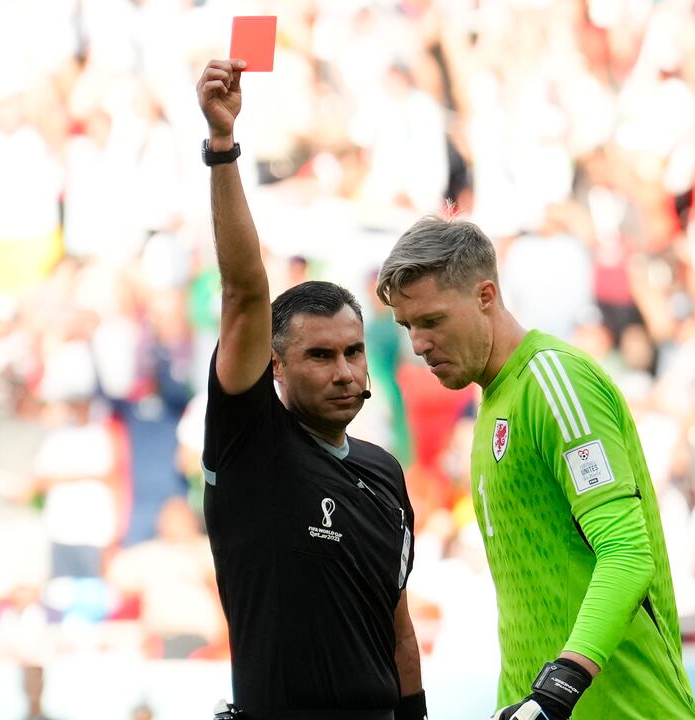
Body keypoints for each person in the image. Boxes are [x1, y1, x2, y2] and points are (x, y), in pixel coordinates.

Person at [376, 217, 695, 720]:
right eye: (408, 326)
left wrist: (559, 686)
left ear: (486, 295)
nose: (418, 344)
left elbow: (628, 556)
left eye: (433, 321)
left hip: (623, 708)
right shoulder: (491, 405)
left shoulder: (553, 381)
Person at [195, 59, 426, 719]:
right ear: (274, 365)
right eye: (320, 355)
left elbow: (397, 624)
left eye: (353, 352)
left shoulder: (385, 474)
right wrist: (221, 146)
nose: (344, 370)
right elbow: (245, 292)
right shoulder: (250, 444)